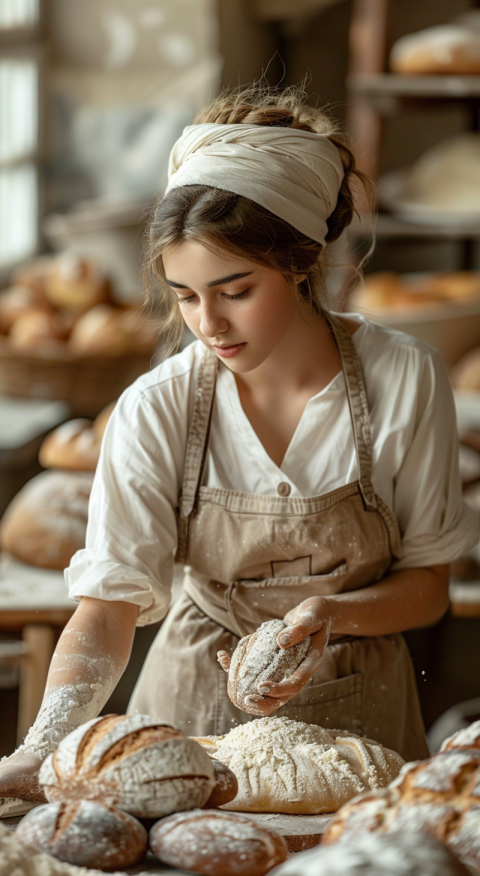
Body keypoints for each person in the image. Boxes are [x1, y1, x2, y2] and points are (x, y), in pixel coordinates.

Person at [0, 84, 478, 804]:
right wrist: (42, 747)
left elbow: (429, 587)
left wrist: (330, 614)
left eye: (235, 290)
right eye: (185, 296)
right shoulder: (156, 407)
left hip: (363, 721)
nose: (209, 324)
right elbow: (107, 606)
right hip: (191, 709)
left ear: (299, 261)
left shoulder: (404, 377)